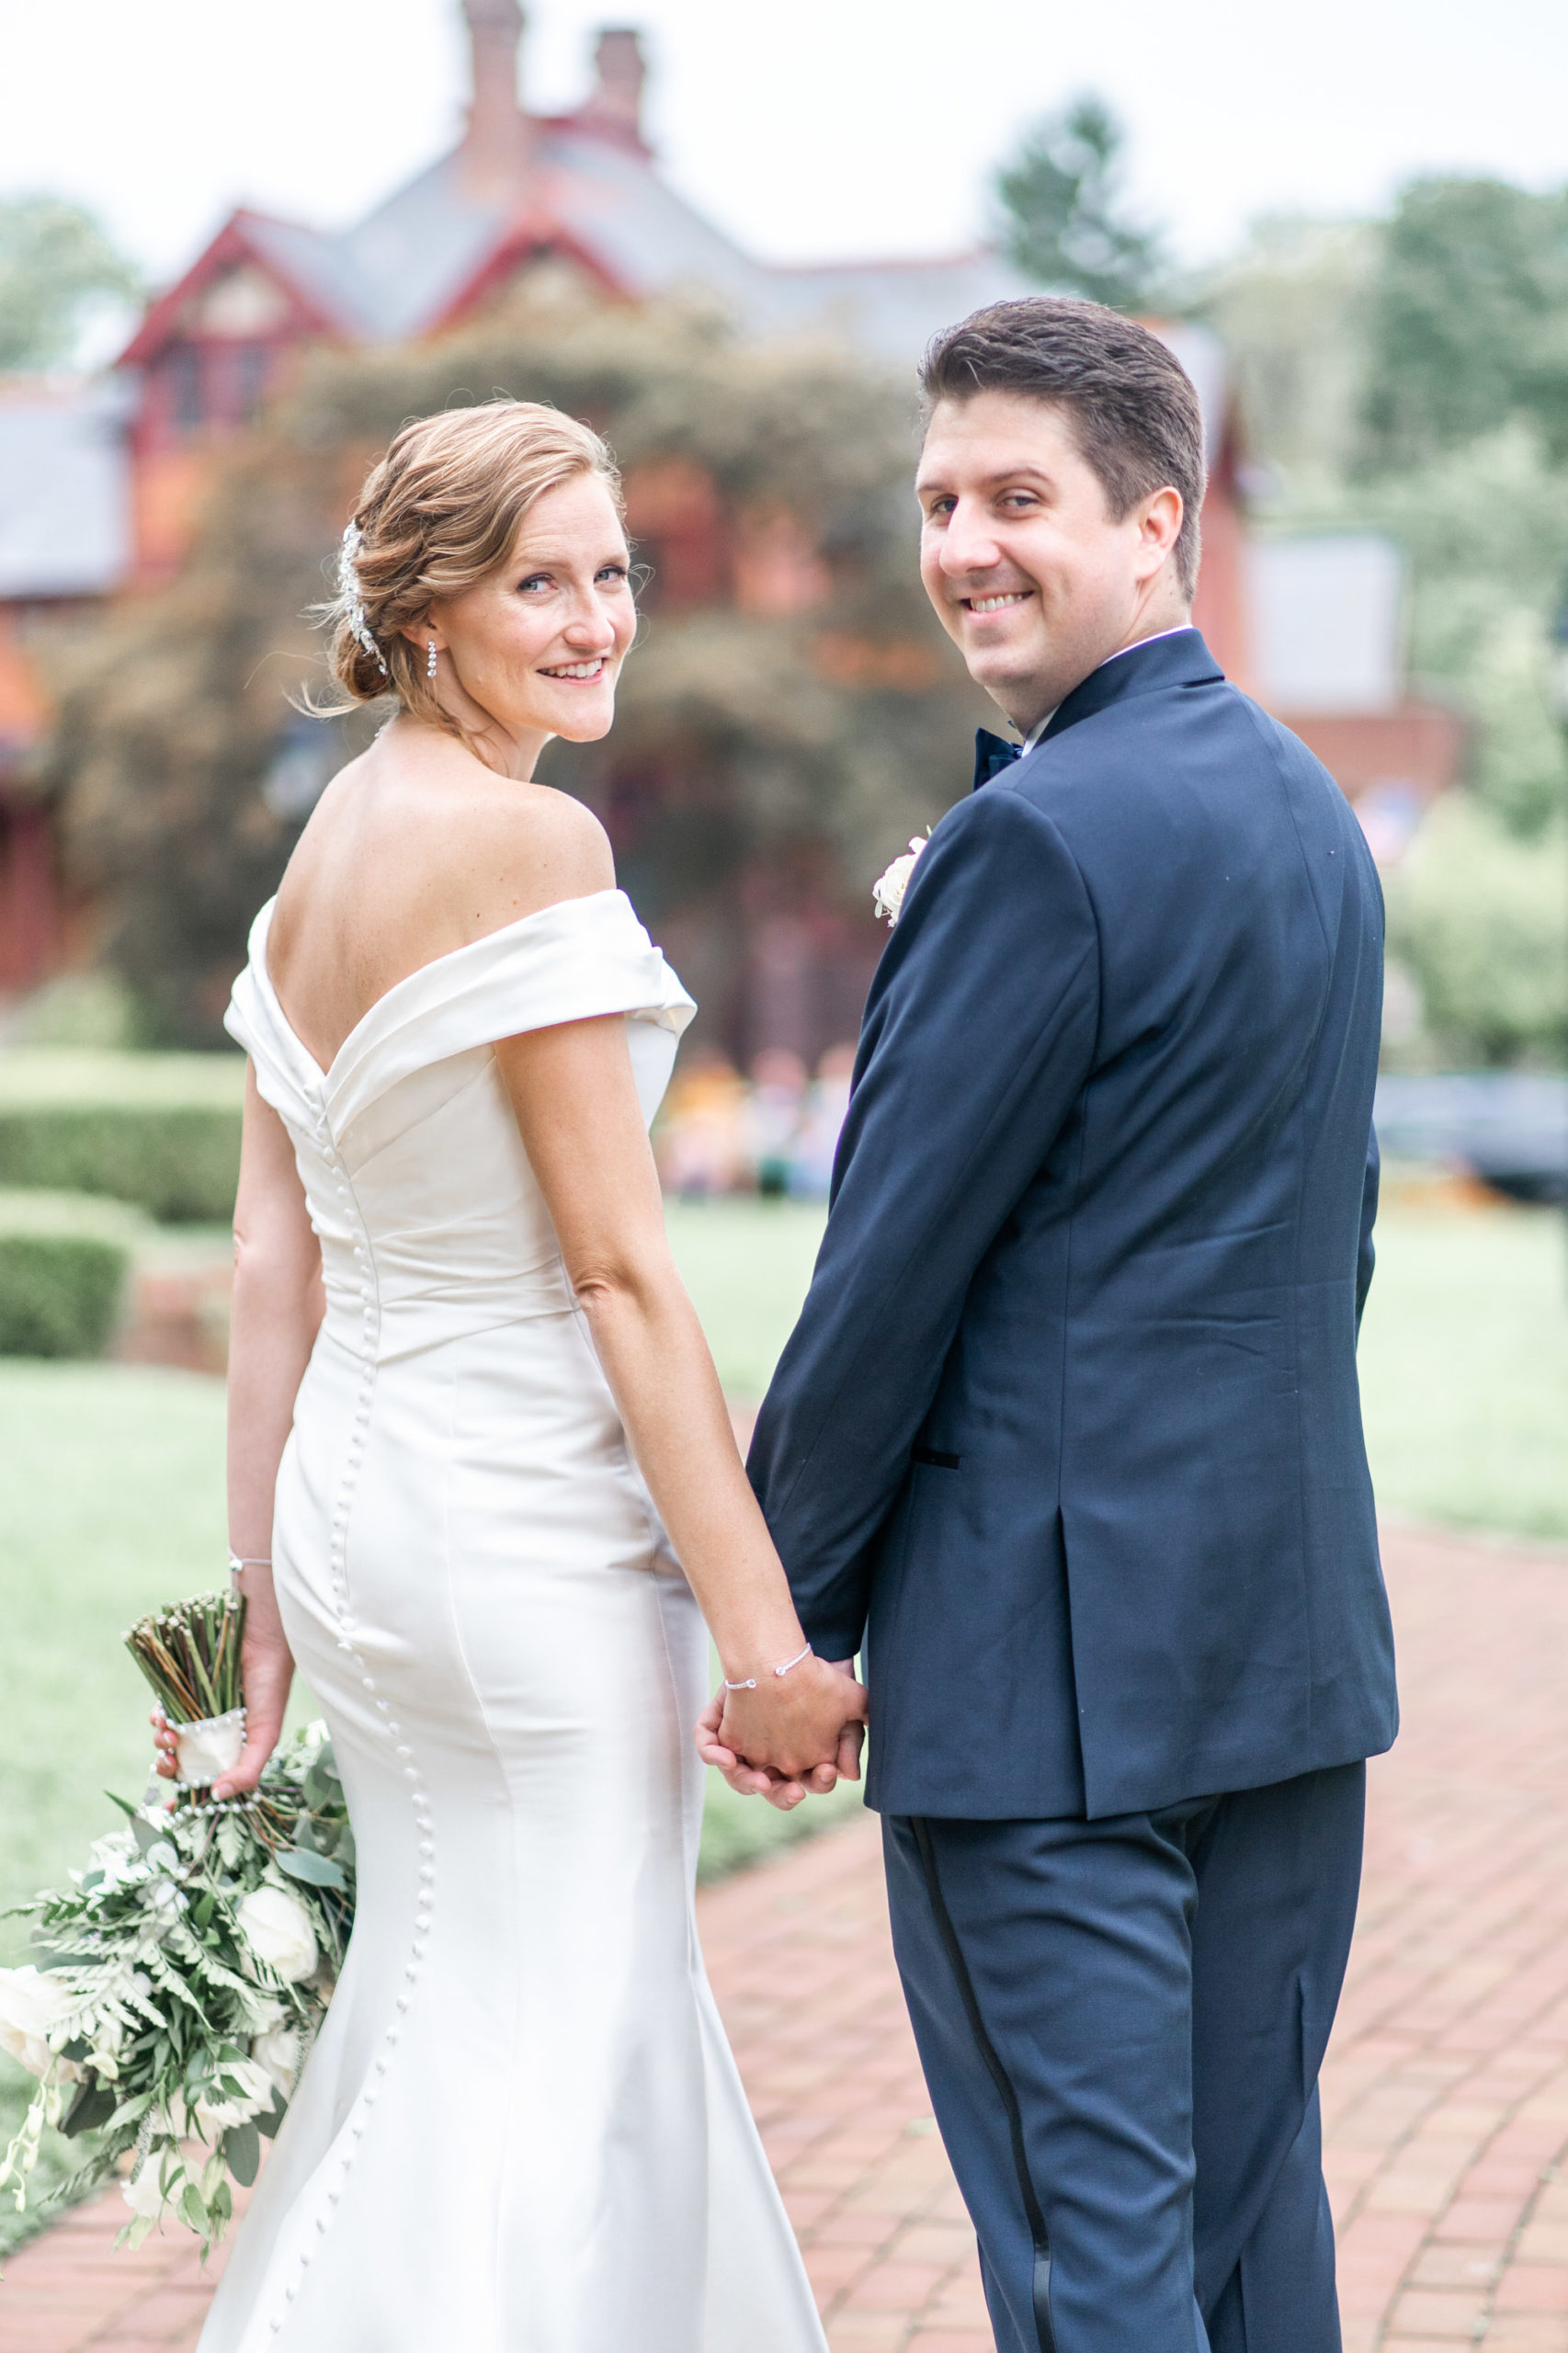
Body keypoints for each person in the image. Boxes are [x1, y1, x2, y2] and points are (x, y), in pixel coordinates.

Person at [705, 299, 1396, 2351]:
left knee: (1091, 2268)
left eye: (1016, 498)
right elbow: (1323, 1241)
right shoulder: (1307, 816)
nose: (962, 545)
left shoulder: (1023, 842)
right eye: (935, 503)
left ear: (1154, 523)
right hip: (1280, 1645)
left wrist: (785, 1627)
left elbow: (885, 1274)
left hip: (1047, 1688)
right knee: (1247, 2230)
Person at [157, 398, 864, 2352]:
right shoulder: (529, 837)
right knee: (563, 2043)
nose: (592, 619)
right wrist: (767, 1648)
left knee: (442, 2008)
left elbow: (264, 1258)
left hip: (365, 1534)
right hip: (520, 1540)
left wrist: (257, 1624)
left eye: (612, 572)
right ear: (426, 606)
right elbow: (627, 1273)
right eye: (535, 580)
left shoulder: (328, 850)